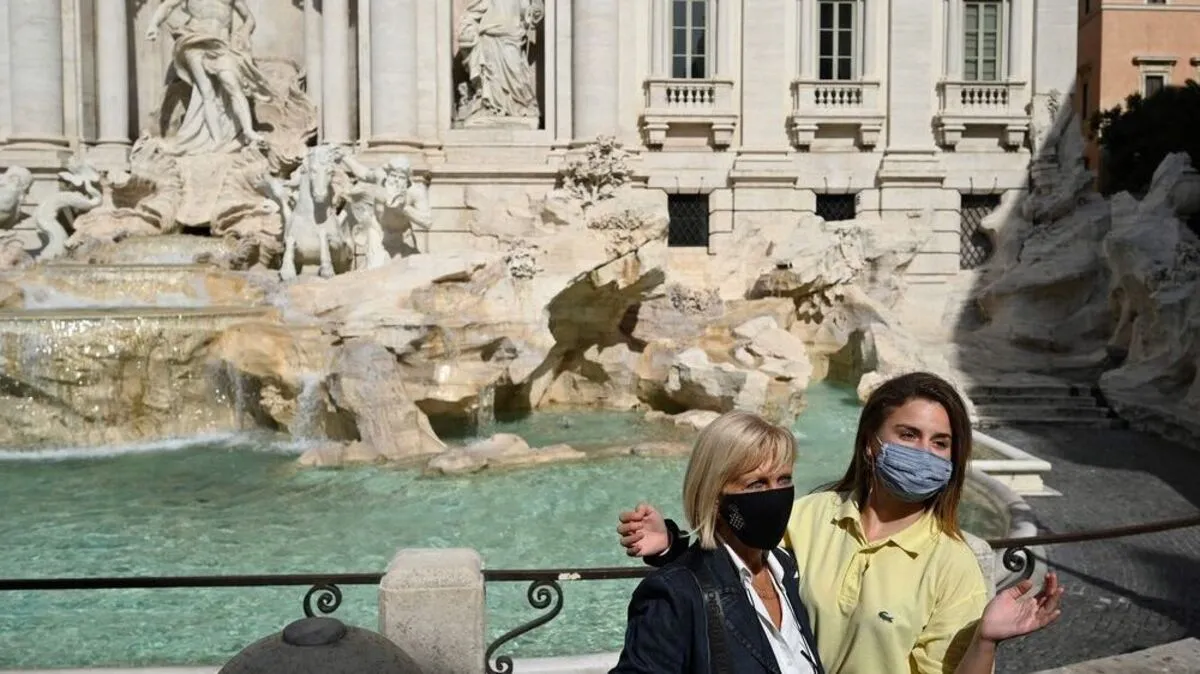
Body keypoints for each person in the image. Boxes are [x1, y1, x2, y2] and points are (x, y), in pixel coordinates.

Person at [617, 372, 1064, 674]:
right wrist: (673, 547)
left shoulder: (954, 563)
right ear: (871, 443)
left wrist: (985, 641)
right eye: (908, 435)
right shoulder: (807, 515)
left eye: (941, 443)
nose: (924, 453)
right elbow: (736, 565)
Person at [611, 411, 825, 673]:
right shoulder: (672, 595)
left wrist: (671, 546)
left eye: (784, 479)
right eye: (756, 484)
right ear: (714, 495)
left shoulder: (788, 569)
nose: (774, 495)